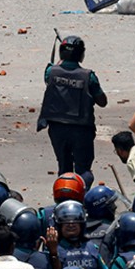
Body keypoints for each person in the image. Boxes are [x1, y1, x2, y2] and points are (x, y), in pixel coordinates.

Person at [38, 35, 107, 189]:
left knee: (64, 167)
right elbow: (102, 101)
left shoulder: (50, 72)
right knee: (83, 170)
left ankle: (65, 194)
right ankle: (82, 196)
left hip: (57, 129)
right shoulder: (88, 76)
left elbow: (51, 76)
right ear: (81, 54)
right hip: (82, 131)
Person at [44, 201, 109, 269]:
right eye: (66, 221)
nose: (71, 225)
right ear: (59, 225)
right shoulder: (53, 249)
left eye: (75, 220)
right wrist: (53, 253)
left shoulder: (91, 247)